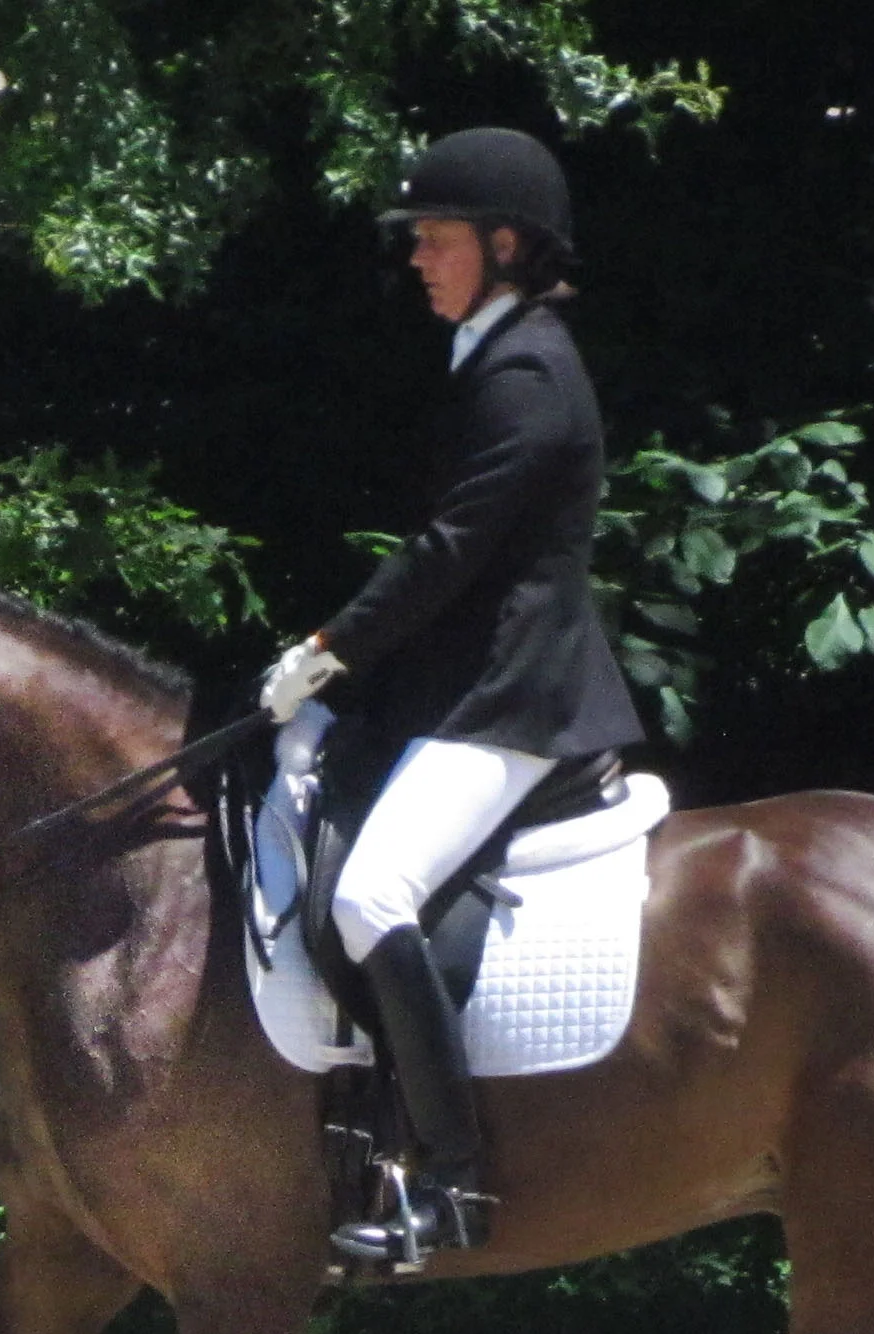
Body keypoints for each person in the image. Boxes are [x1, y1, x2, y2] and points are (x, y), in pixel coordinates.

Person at [257, 127, 644, 1264]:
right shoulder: (493, 349)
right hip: (457, 685)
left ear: (505, 242)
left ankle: (453, 1186)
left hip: (512, 698)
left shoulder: (526, 368)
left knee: (373, 895)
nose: (418, 257)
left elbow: (449, 552)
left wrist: (327, 649)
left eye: (436, 238)